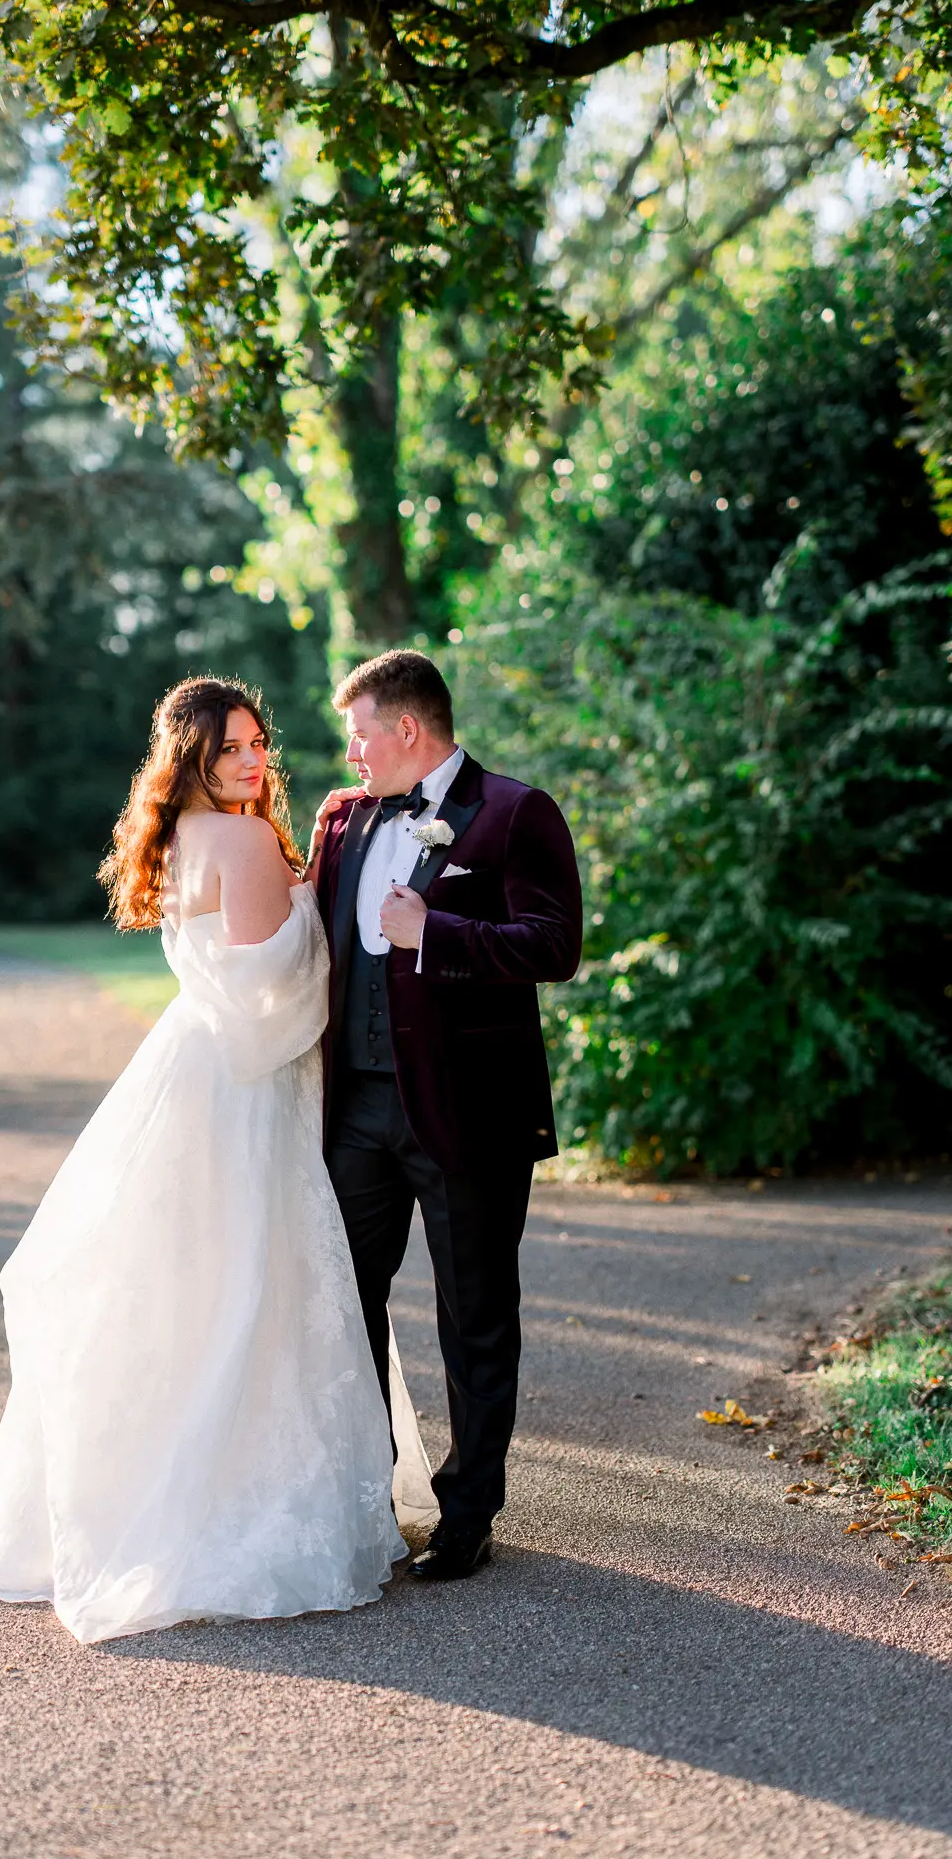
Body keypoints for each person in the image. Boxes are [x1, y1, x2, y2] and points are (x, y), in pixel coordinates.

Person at [0, 676, 429, 1645]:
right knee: (254, 1286)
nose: (252, 760)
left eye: (255, 742)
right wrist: (326, 912)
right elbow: (274, 999)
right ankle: (243, 1509)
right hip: (243, 1087)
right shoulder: (240, 839)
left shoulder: (186, 837)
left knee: (195, 1287)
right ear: (192, 756)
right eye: (231, 747)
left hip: (184, 1069)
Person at [307, 650, 583, 1582]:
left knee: (473, 1313)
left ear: (408, 730)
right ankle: (362, 1500)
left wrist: (440, 933)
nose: (350, 753)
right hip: (357, 1112)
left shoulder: (514, 812)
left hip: (469, 1114)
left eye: (360, 733)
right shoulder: (343, 820)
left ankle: (468, 1516)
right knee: (345, 1305)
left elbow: (555, 945)